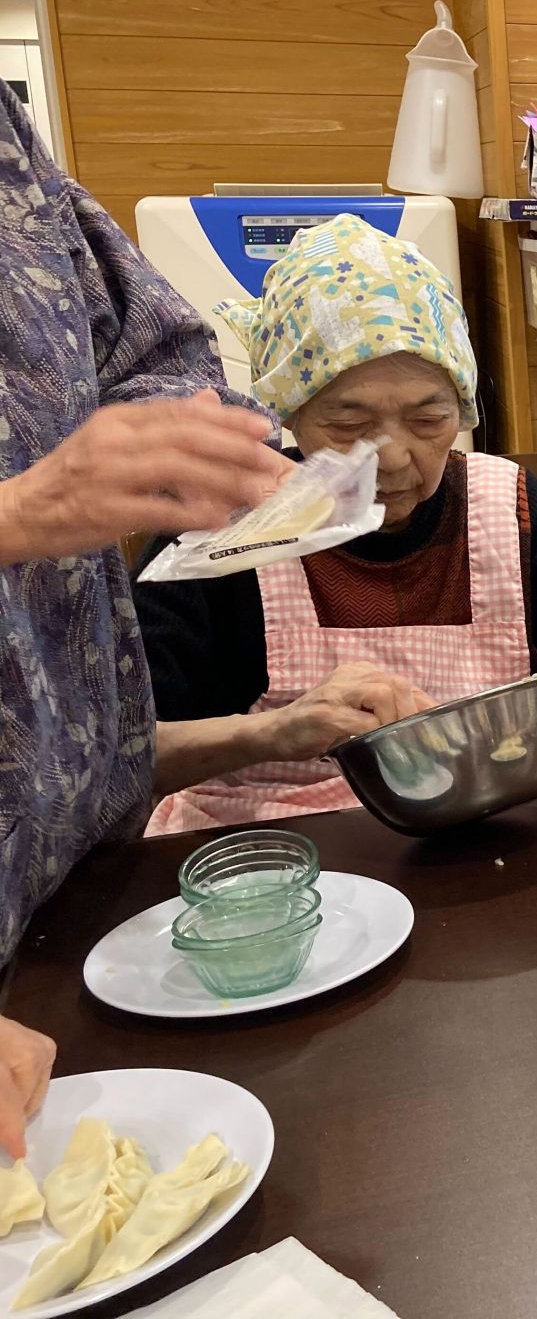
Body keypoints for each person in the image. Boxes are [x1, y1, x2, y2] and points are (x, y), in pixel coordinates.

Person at [137, 215, 537, 833]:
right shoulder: (221, 528)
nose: (393, 458)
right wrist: (275, 732)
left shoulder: (503, 505)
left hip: (487, 828)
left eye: (429, 420)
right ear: (288, 415)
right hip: (273, 851)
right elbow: (124, 756)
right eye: (349, 425)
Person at [0, 86, 291, 1147]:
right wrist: (20, 511)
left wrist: (168, 440)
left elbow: (158, 349)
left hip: (77, 879)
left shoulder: (10, 145)